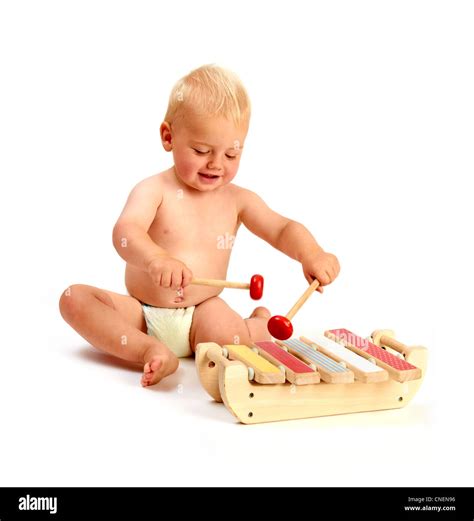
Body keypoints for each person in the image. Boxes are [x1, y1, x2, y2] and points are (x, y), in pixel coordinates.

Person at [59, 64, 340, 387]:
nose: (216, 164)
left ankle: (255, 326)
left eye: (231, 154)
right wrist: (156, 259)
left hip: (202, 314)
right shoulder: (154, 190)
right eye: (201, 150)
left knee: (231, 340)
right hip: (141, 314)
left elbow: (281, 228)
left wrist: (312, 253)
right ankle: (149, 350)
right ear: (168, 137)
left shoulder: (239, 199)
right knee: (73, 299)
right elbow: (126, 232)